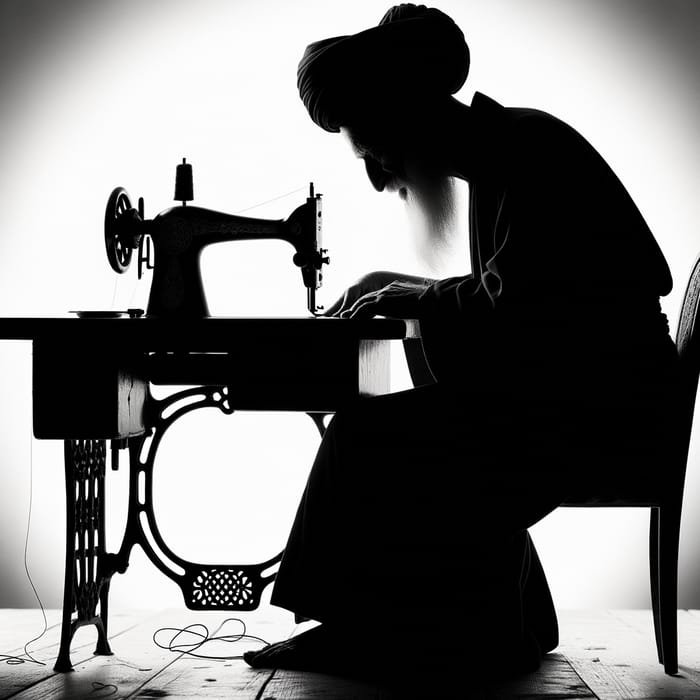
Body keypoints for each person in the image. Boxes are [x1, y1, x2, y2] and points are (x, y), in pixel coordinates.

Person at [244, 3, 679, 681]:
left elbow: (526, 306)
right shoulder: (510, 154)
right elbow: (522, 289)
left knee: (368, 435)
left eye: (374, 151)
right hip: (590, 391)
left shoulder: (526, 152)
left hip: (600, 411)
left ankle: (353, 626)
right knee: (400, 428)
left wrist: (415, 298)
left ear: (403, 119)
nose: (379, 177)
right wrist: (402, 285)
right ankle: (502, 618)